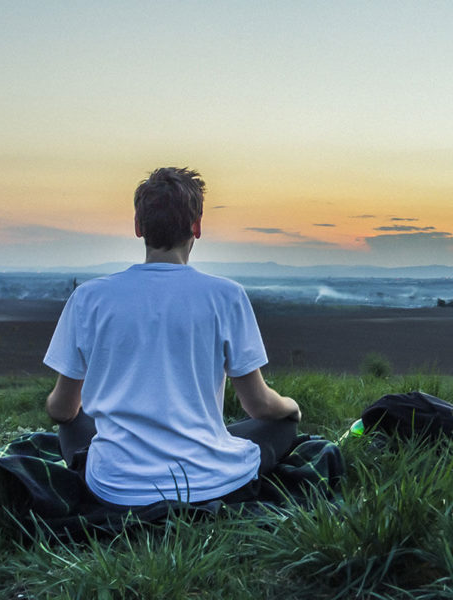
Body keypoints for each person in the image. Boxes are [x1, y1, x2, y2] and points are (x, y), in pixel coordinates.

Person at [43, 167, 301, 507]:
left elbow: (61, 410)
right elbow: (258, 406)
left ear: (138, 227)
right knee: (281, 426)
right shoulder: (227, 296)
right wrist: (291, 408)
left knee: (73, 422)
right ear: (196, 226)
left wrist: (74, 412)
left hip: (115, 487)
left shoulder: (89, 298)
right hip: (209, 482)